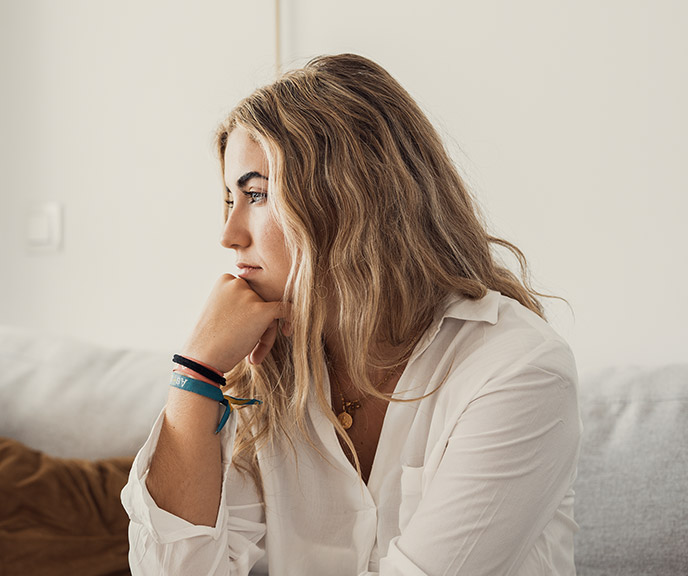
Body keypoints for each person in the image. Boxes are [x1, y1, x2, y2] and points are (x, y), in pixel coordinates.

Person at [120, 54, 579, 575]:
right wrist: (196, 375)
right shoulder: (264, 367)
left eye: (256, 194)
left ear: (350, 198)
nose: (229, 235)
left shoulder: (517, 371)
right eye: (230, 199)